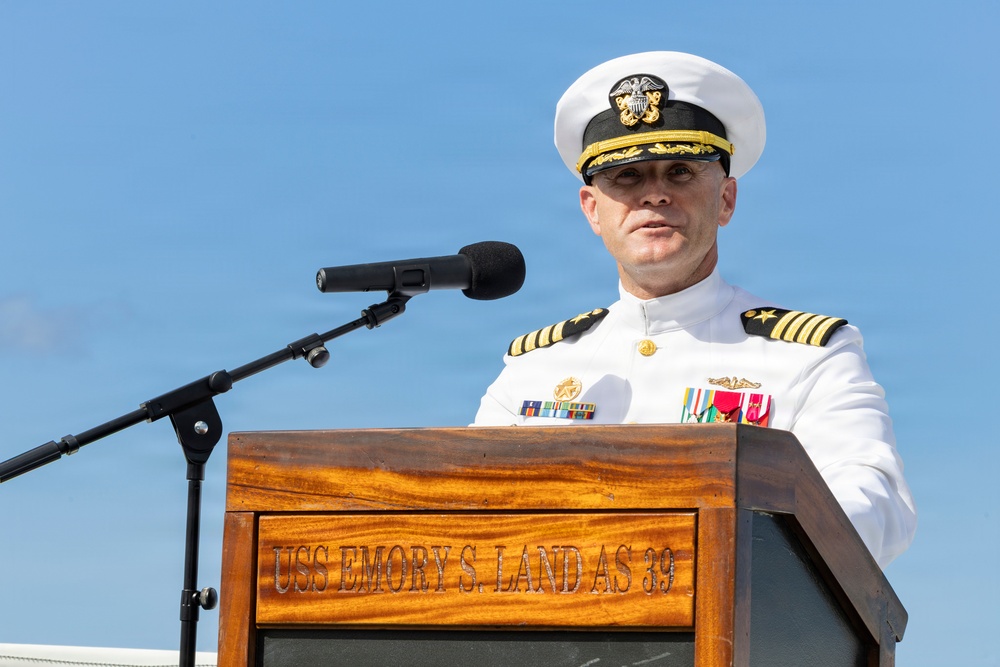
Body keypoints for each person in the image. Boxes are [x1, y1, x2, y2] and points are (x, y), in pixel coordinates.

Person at [473, 51, 916, 568]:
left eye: (680, 171)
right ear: (593, 211)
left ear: (726, 199)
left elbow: (875, 502)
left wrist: (734, 554)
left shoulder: (808, 356)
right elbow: (466, 511)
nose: (654, 195)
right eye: (627, 176)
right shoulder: (534, 368)